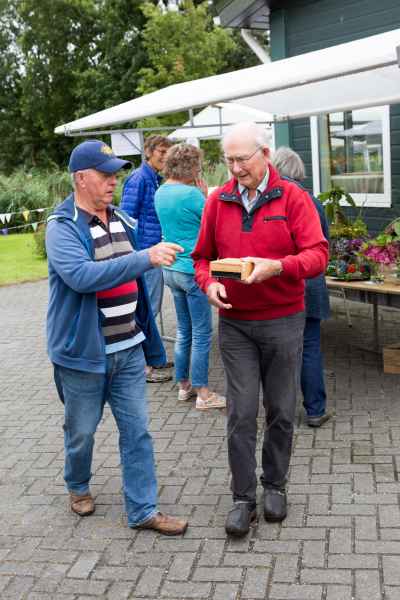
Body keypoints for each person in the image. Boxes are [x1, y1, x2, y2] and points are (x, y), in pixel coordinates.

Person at [192, 122, 329, 537]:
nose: (235, 168)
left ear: (265, 155)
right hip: (236, 324)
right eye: (229, 160)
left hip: (284, 320)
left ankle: (275, 485)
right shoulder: (218, 201)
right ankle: (242, 498)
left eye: (242, 159)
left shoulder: (293, 198)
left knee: (282, 409)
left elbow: (318, 255)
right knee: (241, 412)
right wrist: (208, 284)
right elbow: (201, 257)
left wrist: (280, 267)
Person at [46, 139, 188, 536]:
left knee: (137, 431)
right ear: (81, 178)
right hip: (83, 354)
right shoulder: (62, 227)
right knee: (81, 432)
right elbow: (81, 276)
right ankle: (78, 484)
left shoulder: (123, 220)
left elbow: (136, 280)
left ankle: (143, 510)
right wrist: (145, 258)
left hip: (128, 348)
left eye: (115, 175)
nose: (114, 181)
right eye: (105, 174)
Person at [154, 143, 226, 410]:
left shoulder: (161, 191)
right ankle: (203, 393)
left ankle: (183, 386)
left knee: (184, 330)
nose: (199, 170)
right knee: (202, 333)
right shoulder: (192, 195)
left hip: (170, 269)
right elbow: (213, 223)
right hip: (192, 270)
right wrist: (205, 196)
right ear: (190, 166)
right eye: (197, 166)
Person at [271, 146, 331, 428]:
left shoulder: (269, 200)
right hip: (310, 282)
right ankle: (315, 410)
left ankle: (280, 412)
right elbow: (323, 245)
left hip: (280, 283)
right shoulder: (313, 201)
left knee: (279, 351)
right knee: (309, 347)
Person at [121, 135, 174, 383]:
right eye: (161, 152)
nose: (165, 156)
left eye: (167, 152)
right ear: (149, 152)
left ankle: (153, 358)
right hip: (143, 254)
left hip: (153, 253)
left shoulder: (154, 178)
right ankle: (143, 367)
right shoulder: (139, 178)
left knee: (152, 309)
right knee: (146, 310)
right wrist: (136, 254)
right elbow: (126, 217)